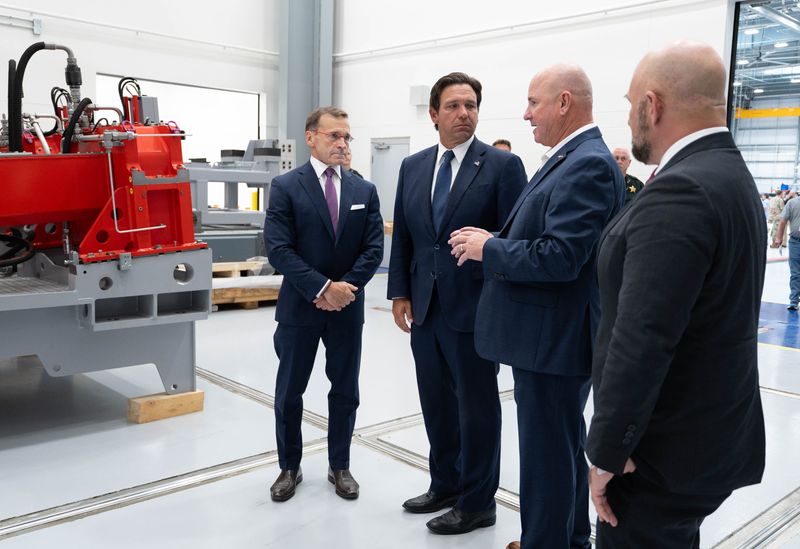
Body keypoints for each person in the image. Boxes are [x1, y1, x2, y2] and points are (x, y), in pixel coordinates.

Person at [586, 42, 766, 549]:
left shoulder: (681, 190)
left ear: (652, 105)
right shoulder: (728, 174)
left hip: (658, 453)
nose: (628, 121)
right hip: (710, 439)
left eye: (628, 106)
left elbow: (643, 337)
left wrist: (606, 451)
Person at [449, 64, 624, 549]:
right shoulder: (568, 157)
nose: (526, 115)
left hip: (554, 342)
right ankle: (567, 539)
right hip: (552, 339)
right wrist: (496, 239)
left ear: (564, 102)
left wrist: (490, 249)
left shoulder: (586, 162)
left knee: (546, 455)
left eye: (533, 103)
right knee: (563, 448)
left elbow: (562, 256)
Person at [387, 72, 526, 535]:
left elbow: (514, 237)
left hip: (475, 310)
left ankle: (478, 501)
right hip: (425, 308)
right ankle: (444, 483)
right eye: (453, 106)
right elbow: (407, 235)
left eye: (471, 105)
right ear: (433, 114)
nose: (464, 113)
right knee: (436, 403)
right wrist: (400, 292)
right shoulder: (414, 166)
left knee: (477, 408)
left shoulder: (502, 167)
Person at [264, 106, 383, 502]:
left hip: (347, 308)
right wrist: (321, 288)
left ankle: (340, 466)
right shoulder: (285, 186)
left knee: (345, 390)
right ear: (310, 137)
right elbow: (279, 249)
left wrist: (345, 288)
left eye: (346, 137)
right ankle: (289, 467)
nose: (342, 143)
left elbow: (373, 247)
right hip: (300, 308)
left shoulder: (363, 190)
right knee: (289, 392)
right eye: (334, 135)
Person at [774, 190, 800, 310]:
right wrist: (779, 237)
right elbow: (783, 220)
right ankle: (794, 301)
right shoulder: (792, 203)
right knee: (795, 273)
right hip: (795, 242)